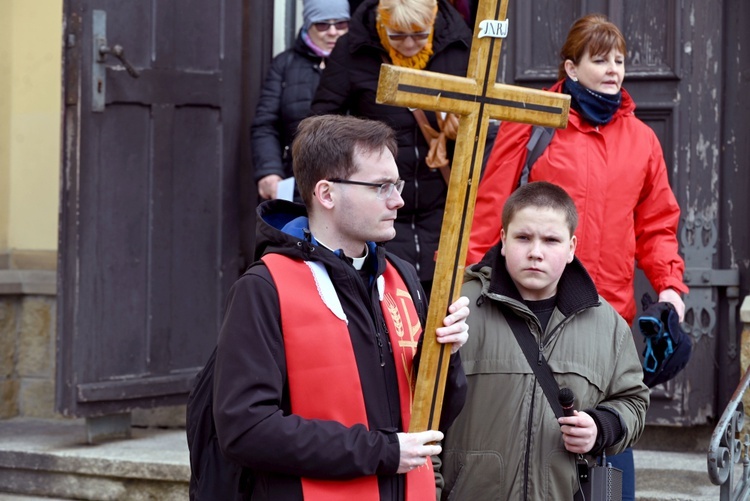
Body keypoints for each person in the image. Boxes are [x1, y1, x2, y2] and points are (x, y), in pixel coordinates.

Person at [465, 15, 688, 498]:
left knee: (604, 438)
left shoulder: (642, 141)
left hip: (606, 316)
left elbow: (657, 225)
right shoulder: (533, 122)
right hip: (528, 309)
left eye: (620, 60)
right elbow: (489, 212)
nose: (613, 69)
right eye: (600, 59)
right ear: (571, 65)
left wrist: (671, 289)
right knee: (528, 432)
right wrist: (467, 286)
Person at [214, 114, 471, 501]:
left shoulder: (401, 276)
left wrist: (445, 355)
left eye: (397, 184)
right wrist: (381, 452)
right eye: (381, 186)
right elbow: (245, 429)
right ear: (327, 194)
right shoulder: (266, 287)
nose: (398, 200)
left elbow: (438, 416)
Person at [439, 181, 649, 500]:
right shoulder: (456, 308)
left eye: (551, 240)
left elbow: (633, 400)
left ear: (571, 247)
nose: (536, 252)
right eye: (524, 238)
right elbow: (419, 410)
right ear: (504, 240)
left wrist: (601, 426)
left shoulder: (608, 325)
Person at [312, 0, 472, 299]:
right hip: (375, 201)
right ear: (380, 24)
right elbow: (320, 125)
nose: (409, 44)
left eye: (419, 34)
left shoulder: (459, 45)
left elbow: (484, 121)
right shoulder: (353, 49)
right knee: (385, 299)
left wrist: (462, 125)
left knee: (442, 305)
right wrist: (354, 150)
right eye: (397, 36)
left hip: (442, 198)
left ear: (434, 22)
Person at [251, 0, 350, 201]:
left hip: (350, 180)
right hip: (297, 179)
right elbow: (265, 124)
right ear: (307, 24)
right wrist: (269, 171)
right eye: (322, 25)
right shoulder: (284, 64)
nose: (332, 32)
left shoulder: (359, 66)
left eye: (340, 24)